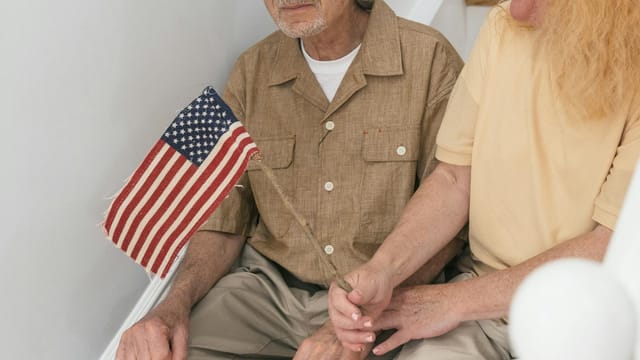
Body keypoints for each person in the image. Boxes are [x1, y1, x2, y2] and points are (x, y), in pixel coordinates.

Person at [115, 0, 466, 359]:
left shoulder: (431, 59)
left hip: (389, 296)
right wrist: (174, 305)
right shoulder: (252, 70)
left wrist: (349, 326)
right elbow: (224, 219)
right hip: (265, 294)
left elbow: (449, 222)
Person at [328, 0, 640, 358]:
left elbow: (613, 244)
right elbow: (453, 179)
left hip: (586, 314)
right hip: (478, 301)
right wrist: (382, 269)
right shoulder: (503, 25)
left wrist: (455, 302)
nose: (517, 9)